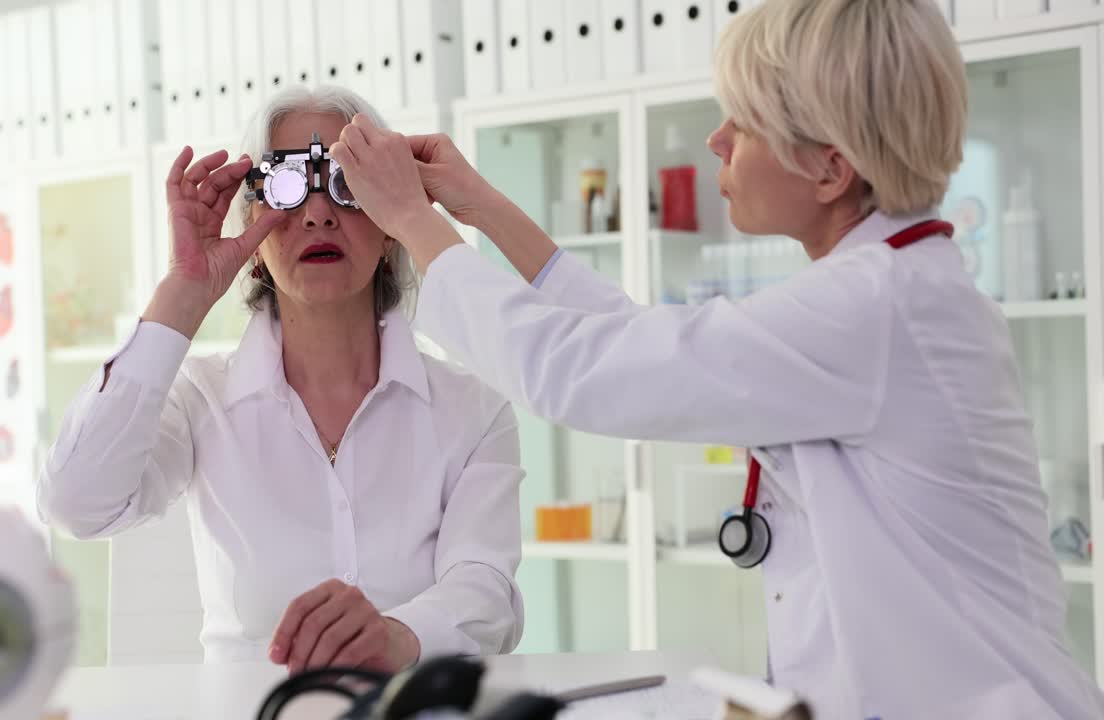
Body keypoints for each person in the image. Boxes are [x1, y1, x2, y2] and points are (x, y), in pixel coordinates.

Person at [327, 0, 1104, 717]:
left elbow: (577, 370)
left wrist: (409, 218)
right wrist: (482, 205)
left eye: (745, 122)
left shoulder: (874, 310)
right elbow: (635, 337)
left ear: (830, 167)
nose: (716, 139)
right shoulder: (884, 292)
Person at [37, 86, 524, 674]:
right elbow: (75, 505)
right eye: (288, 187)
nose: (318, 213)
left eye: (347, 183)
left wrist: (394, 637)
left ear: (393, 220)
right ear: (254, 232)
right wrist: (184, 290)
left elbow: (486, 592)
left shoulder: (474, 412)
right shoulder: (199, 401)